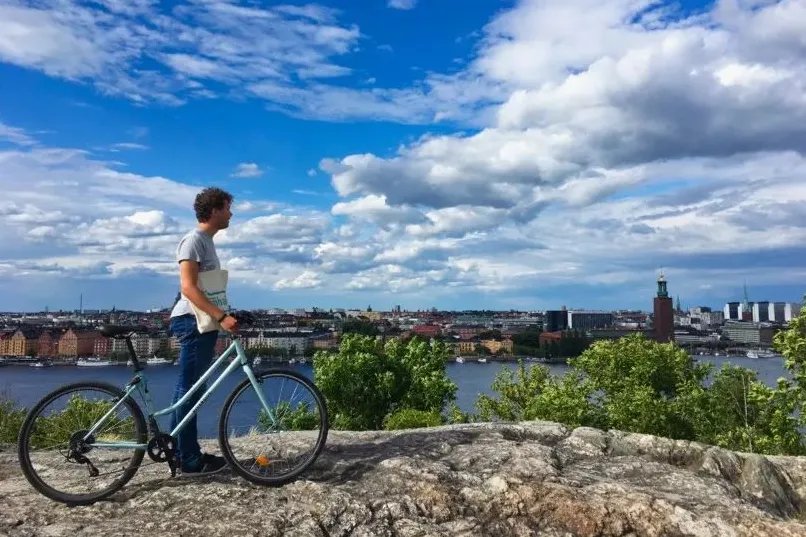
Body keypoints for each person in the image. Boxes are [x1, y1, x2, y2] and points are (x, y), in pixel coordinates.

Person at [169, 187, 239, 475]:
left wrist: (227, 310)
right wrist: (221, 316)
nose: (231, 213)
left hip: (201, 321)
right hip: (192, 320)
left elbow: (207, 286)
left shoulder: (206, 242)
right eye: (226, 208)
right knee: (190, 391)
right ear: (213, 211)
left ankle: (181, 452)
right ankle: (188, 459)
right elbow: (188, 287)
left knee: (189, 392)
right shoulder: (194, 241)